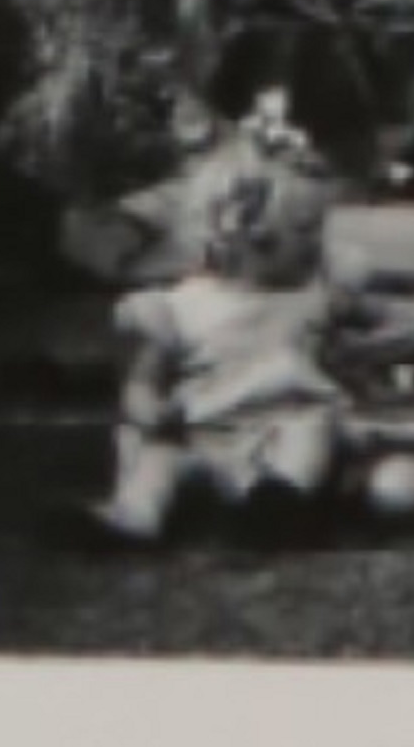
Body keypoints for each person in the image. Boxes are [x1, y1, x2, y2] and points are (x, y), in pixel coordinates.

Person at [56, 170, 363, 551]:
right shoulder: (182, 305)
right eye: (305, 230)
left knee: (314, 430)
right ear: (254, 238)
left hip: (279, 428)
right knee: (158, 458)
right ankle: (133, 519)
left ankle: (281, 506)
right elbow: (144, 378)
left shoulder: (312, 298)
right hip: (201, 432)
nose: (319, 243)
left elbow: (365, 333)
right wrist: (147, 406)